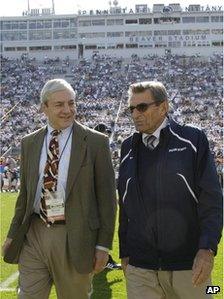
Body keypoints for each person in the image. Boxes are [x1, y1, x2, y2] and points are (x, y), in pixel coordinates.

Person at [2, 78, 117, 299]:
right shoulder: (29, 142)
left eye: (71, 103)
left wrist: (103, 246)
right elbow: (25, 196)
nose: (68, 110)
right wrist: (13, 233)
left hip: (75, 234)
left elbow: (107, 200)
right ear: (44, 107)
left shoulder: (95, 142)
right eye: (59, 104)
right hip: (34, 233)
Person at [118, 81, 223, 299]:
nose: (135, 114)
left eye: (142, 107)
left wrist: (207, 249)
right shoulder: (127, 147)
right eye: (131, 109)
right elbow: (125, 204)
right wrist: (125, 252)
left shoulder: (193, 140)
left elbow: (211, 199)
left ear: (163, 107)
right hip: (141, 268)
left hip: (188, 265)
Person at [93, 123, 122, 271]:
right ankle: (104, 260)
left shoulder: (100, 148)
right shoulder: (94, 149)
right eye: (105, 133)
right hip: (94, 199)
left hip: (99, 197)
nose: (108, 136)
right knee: (98, 228)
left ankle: (104, 259)